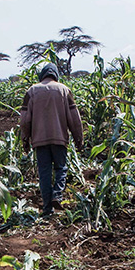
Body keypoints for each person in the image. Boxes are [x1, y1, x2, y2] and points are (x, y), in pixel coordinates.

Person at [19, 63, 84, 217]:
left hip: (39, 140)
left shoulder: (32, 91)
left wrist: (25, 139)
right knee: (61, 168)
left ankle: (47, 209)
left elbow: (24, 119)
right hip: (59, 138)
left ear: (42, 75)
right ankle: (57, 194)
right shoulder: (64, 90)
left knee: (44, 173)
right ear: (55, 75)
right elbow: (75, 118)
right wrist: (78, 138)